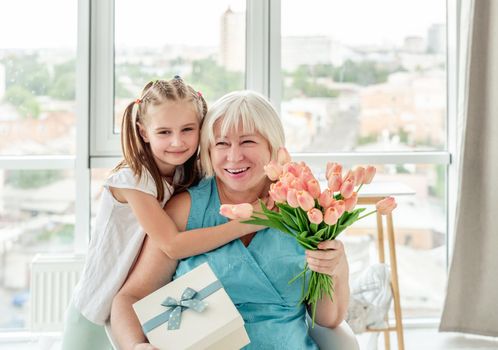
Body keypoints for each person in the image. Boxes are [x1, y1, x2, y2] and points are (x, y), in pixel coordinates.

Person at [111, 90, 350, 350]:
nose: (234, 157)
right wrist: (136, 346)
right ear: (209, 151)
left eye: (247, 142)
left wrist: (335, 266)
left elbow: (328, 319)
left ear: (272, 146)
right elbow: (129, 296)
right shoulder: (186, 209)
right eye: (222, 144)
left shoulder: (305, 209)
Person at [61, 79, 263, 350]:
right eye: (164, 132)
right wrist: (246, 223)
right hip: (97, 307)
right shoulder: (134, 180)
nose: (177, 141)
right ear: (144, 132)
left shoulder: (184, 173)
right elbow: (172, 244)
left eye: (188, 129)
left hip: (143, 305)